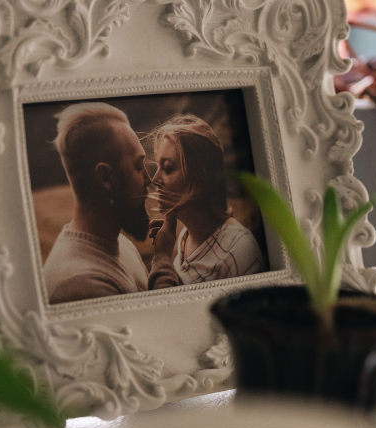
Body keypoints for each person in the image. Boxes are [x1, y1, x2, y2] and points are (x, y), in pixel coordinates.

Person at [44, 102, 180, 304]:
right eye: (138, 166)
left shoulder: (120, 244)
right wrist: (163, 261)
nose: (149, 179)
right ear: (106, 177)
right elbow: (160, 326)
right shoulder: (83, 285)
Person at [146, 114, 267, 285]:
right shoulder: (184, 237)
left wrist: (162, 257)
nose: (155, 179)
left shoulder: (239, 248)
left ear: (199, 178)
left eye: (167, 168)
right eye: (158, 167)